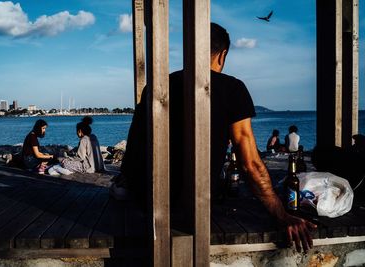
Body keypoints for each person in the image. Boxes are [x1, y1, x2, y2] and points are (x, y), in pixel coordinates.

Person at [114, 22, 316, 252]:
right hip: (193, 212)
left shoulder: (155, 87)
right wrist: (281, 213)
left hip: (149, 208)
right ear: (222, 55)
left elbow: (132, 158)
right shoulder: (233, 88)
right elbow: (249, 163)